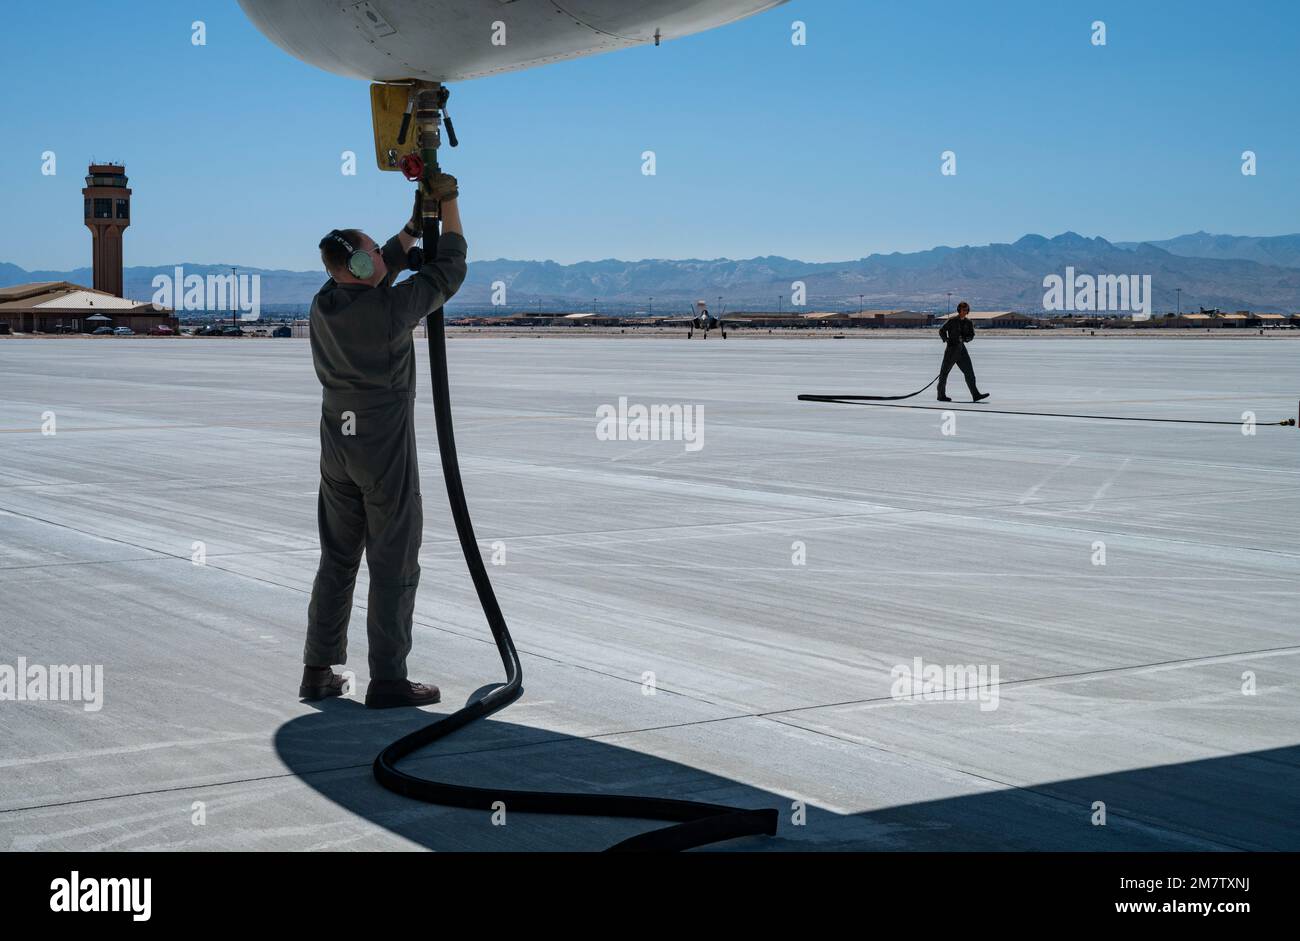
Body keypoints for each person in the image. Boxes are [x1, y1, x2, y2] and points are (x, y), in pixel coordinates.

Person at [299, 174, 466, 708]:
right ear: (365, 267)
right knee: (393, 563)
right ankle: (389, 678)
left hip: (337, 448)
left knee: (338, 559)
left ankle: (318, 670)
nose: (380, 257)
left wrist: (411, 229)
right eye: (373, 253)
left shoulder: (325, 302)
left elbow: (376, 265)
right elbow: (450, 270)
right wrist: (451, 206)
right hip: (382, 452)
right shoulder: (389, 311)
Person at [937, 302, 989, 403]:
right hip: (951, 350)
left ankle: (975, 395)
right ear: (959, 310)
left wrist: (966, 339)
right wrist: (946, 340)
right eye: (963, 309)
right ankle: (941, 395)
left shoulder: (968, 322)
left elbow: (971, 335)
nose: (965, 311)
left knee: (969, 372)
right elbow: (942, 330)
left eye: (966, 309)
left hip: (961, 350)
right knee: (944, 373)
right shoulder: (952, 320)